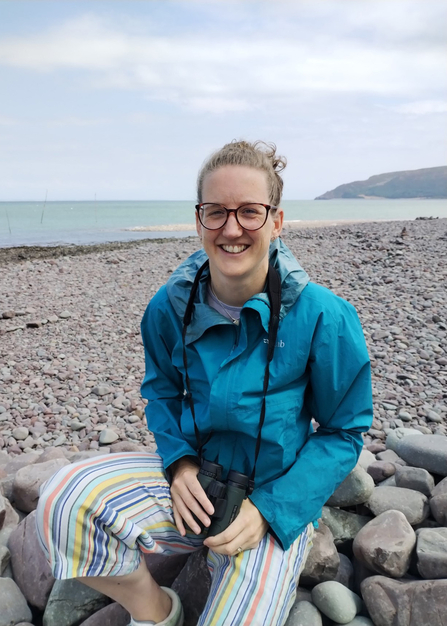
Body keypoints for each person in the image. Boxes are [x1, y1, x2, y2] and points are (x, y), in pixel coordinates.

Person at [36, 140, 373, 626]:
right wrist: (179, 465)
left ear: (276, 221)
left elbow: (344, 430)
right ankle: (157, 612)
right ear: (198, 220)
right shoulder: (168, 307)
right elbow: (162, 392)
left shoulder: (325, 317)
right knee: (61, 502)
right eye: (215, 212)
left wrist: (271, 510)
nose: (231, 229)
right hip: (191, 486)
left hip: (271, 502)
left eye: (249, 212)